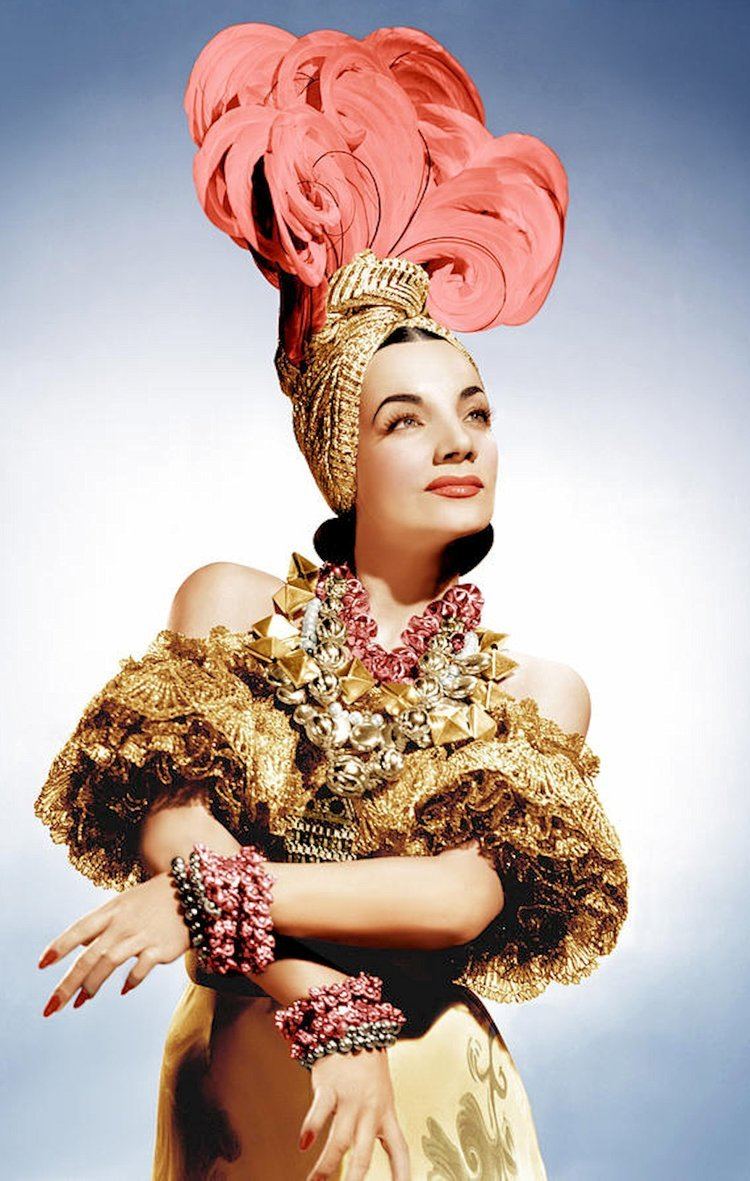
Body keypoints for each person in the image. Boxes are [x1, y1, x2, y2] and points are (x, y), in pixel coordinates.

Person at [33, 22, 629, 1181]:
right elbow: (173, 821)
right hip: (253, 1070)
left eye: (477, 410)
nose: (459, 440)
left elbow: (456, 897)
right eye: (406, 417)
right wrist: (320, 1001)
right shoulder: (232, 605)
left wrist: (212, 904)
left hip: (432, 1093)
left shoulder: (539, 690)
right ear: (340, 459)